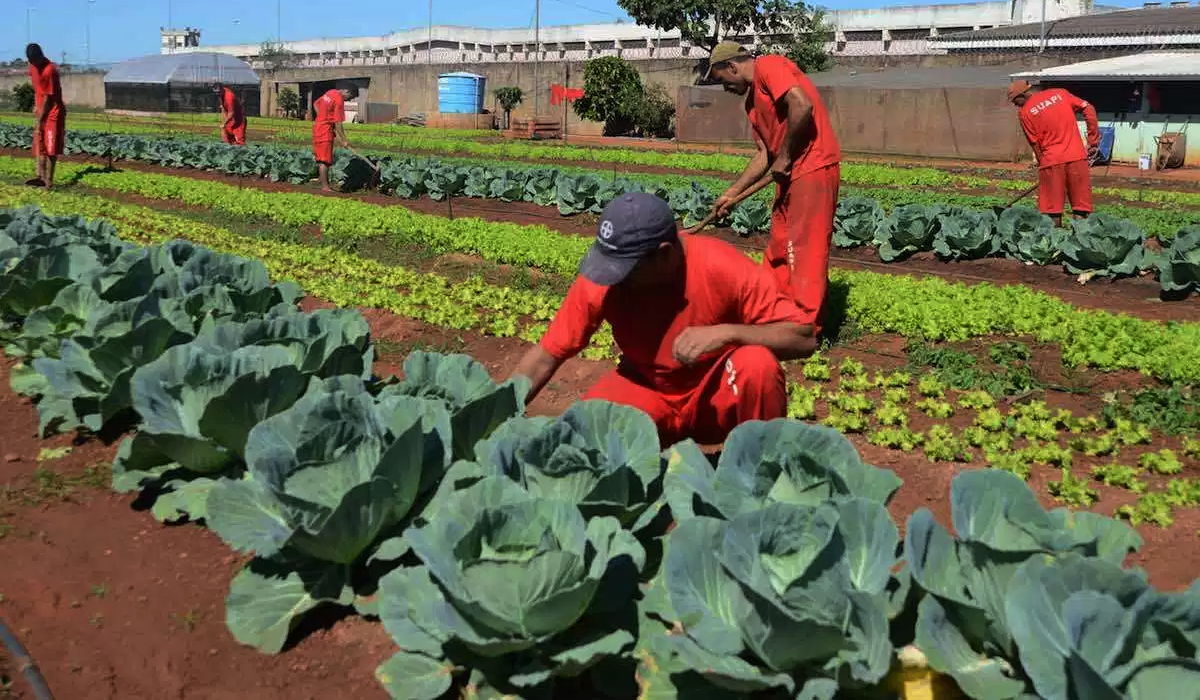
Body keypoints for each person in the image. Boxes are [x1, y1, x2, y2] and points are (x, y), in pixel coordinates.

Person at [510, 193, 818, 446]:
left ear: (665, 255)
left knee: (757, 366)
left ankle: (762, 470)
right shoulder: (603, 278)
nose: (614, 279)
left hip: (714, 399)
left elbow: (804, 337)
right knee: (585, 433)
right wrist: (494, 415)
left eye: (626, 270)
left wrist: (728, 333)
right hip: (647, 390)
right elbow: (546, 356)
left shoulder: (721, 267)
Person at [704, 41, 841, 335]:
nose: (722, 86)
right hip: (791, 172)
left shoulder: (769, 66)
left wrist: (787, 155)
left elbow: (802, 105)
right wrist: (732, 194)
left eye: (720, 79)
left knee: (805, 248)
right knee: (780, 244)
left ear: (732, 66)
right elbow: (764, 154)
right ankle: (774, 312)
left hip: (813, 166)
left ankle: (803, 329)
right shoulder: (752, 105)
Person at [1008, 80, 1100, 227]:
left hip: (1051, 161)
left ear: (1023, 94)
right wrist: (1093, 141)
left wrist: (1043, 166)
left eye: (1015, 100)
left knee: (1052, 210)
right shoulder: (1060, 93)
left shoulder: (1025, 113)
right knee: (1081, 208)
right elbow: (1089, 108)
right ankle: (1081, 242)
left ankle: (1053, 245)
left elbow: (1035, 144)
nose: (1015, 104)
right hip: (1077, 157)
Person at [25, 43, 66, 191]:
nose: (35, 63)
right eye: (32, 61)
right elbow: (37, 86)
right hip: (41, 109)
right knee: (39, 143)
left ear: (41, 55)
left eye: (37, 59)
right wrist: (36, 104)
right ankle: (40, 177)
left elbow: (49, 100)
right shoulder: (32, 67)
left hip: (53, 112)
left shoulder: (50, 70)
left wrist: (40, 120)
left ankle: (49, 181)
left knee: (51, 148)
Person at [311, 84, 358, 192]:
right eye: (350, 98)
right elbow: (338, 122)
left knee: (321, 157)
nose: (348, 100)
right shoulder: (339, 99)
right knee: (325, 160)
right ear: (348, 92)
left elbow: (315, 104)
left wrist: (322, 117)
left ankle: (321, 180)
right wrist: (344, 140)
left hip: (318, 127)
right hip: (325, 131)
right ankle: (325, 187)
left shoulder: (331, 92)